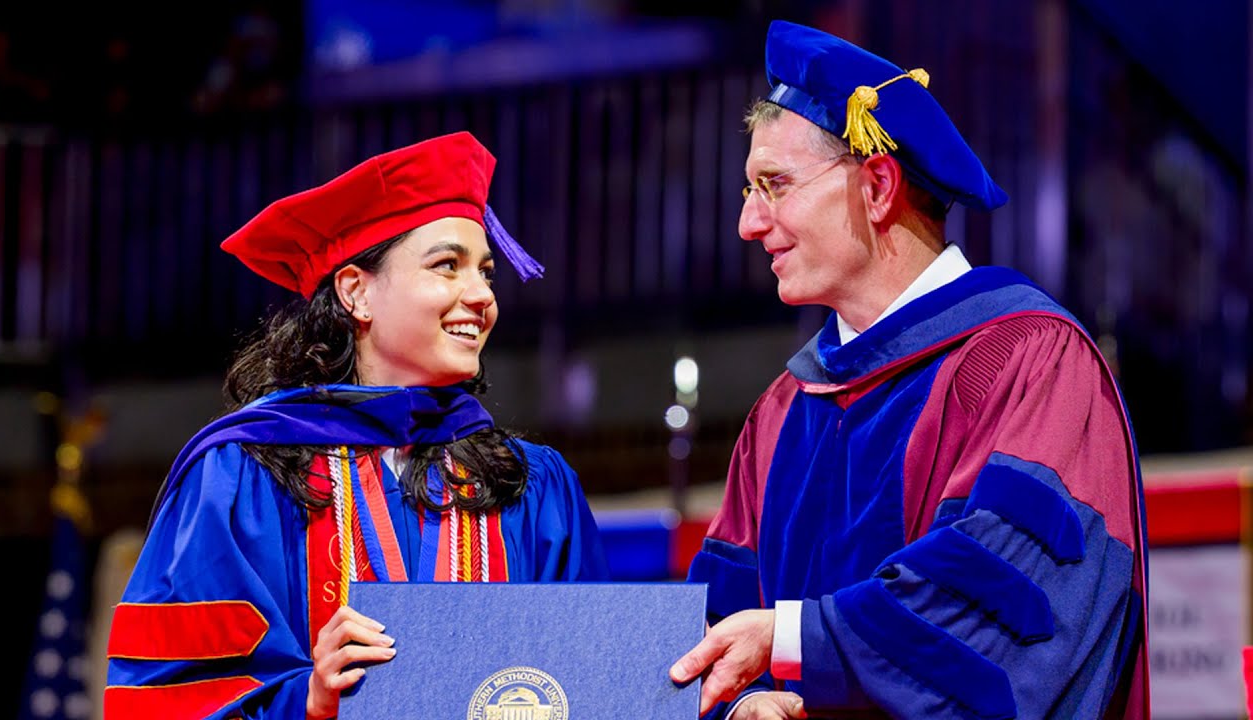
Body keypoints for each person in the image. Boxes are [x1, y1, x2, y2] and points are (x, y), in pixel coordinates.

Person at [670, 21, 1147, 719]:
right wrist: (736, 704)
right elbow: (712, 634)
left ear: (877, 186)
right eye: (749, 190)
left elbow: (1008, 623)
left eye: (773, 185)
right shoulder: (782, 414)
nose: (748, 222)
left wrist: (796, 641)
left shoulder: (1028, 363)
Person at [104, 131, 609, 719]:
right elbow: (165, 697)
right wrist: (308, 697)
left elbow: (594, 684)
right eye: (447, 266)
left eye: (486, 272)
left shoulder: (530, 485)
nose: (480, 295)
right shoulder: (241, 476)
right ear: (355, 292)